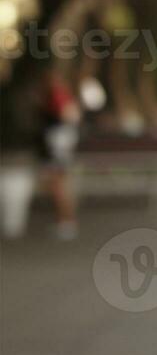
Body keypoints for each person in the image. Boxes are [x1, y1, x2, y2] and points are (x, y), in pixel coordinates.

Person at [36, 70, 81, 241]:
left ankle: (66, 221)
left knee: (58, 183)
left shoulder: (58, 94)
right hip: (59, 141)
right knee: (58, 183)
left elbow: (70, 115)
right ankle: (65, 221)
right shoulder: (60, 94)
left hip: (58, 142)